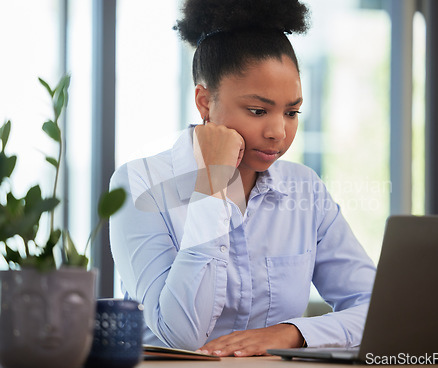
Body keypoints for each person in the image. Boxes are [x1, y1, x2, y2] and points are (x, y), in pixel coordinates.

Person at [109, 0, 376, 357]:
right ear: (205, 102)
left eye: (292, 112)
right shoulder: (139, 183)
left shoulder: (305, 189)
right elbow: (181, 336)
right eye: (258, 111)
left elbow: (377, 308)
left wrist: (290, 334)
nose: (278, 132)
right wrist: (212, 184)